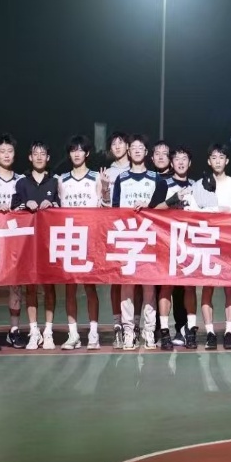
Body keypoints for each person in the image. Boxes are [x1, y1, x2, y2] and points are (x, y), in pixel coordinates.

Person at [110, 135, 168, 350]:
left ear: (146, 152)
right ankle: (128, 331)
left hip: (149, 240)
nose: (136, 150)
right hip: (127, 239)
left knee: (149, 287)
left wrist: (149, 207)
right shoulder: (121, 179)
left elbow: (163, 208)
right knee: (127, 287)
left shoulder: (156, 179)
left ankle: (149, 331)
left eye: (140, 147)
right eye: (133, 147)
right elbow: (114, 209)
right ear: (129, 151)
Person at [193, 142, 231, 349]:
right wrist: (216, 209)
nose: (218, 161)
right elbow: (196, 212)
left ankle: (229, 332)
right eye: (214, 157)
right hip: (207, 241)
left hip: (229, 241)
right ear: (209, 161)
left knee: (230, 288)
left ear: (227, 160)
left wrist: (212, 210)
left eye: (221, 157)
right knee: (207, 287)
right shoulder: (199, 184)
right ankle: (210, 333)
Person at [12, 140, 60, 350]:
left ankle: (48, 331)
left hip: (49, 242)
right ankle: (34, 331)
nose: (39, 157)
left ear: (48, 158)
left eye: (43, 154)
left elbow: (62, 208)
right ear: (30, 157)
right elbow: (14, 208)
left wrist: (53, 205)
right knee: (30, 286)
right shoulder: (22, 183)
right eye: (35, 154)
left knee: (49, 287)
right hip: (28, 243)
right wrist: (26, 204)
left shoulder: (55, 182)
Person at [58, 135, 103, 349]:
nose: (77, 154)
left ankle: (93, 333)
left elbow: (103, 208)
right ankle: (73, 334)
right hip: (70, 238)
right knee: (70, 289)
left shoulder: (96, 178)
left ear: (87, 153)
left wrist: (106, 189)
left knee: (90, 287)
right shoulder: (62, 180)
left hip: (90, 239)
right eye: (73, 150)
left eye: (80, 150)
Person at [0, 134, 26, 348]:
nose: (6, 155)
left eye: (9, 151)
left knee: (15, 286)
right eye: (2, 151)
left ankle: (14, 329)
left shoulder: (21, 180)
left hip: (14, 239)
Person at [161, 146, 199, 348]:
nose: (181, 162)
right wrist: (173, 200)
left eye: (184, 158)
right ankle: (164, 332)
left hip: (189, 243)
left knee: (189, 286)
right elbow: (154, 209)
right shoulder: (163, 183)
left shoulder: (196, 186)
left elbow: (206, 212)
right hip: (167, 241)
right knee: (166, 286)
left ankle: (190, 330)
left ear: (190, 163)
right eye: (177, 158)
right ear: (172, 163)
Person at [100, 131, 130, 348]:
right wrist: (104, 188)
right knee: (117, 280)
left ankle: (134, 324)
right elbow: (104, 206)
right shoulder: (107, 173)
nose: (117, 146)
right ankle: (117, 324)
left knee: (138, 282)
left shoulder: (140, 169)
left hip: (138, 231)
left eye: (121, 143)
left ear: (128, 146)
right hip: (115, 231)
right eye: (113, 144)